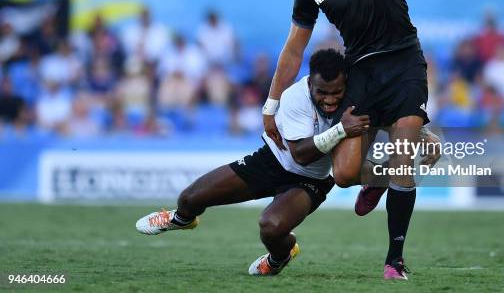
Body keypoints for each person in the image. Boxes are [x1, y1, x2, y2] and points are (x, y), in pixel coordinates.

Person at [262, 0, 430, 279]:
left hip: (403, 62)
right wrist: (271, 103)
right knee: (344, 173)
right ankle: (380, 178)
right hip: (361, 72)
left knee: (404, 159)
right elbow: (294, 48)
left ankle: (394, 261)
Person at [135, 49, 371, 276]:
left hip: (310, 181)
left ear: (345, 84)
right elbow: (301, 153)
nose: (330, 100)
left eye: (336, 92)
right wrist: (340, 130)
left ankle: (280, 257)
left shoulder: (354, 100)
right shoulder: (294, 96)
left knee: (271, 227)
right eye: (322, 92)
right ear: (310, 83)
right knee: (189, 198)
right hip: (270, 161)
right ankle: (182, 219)